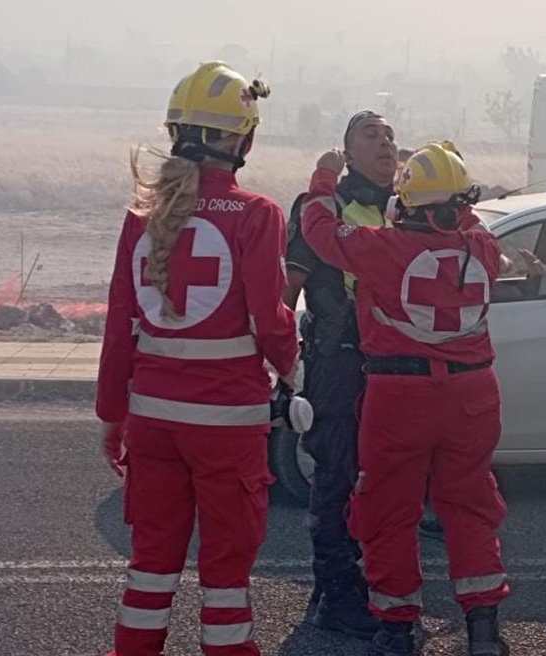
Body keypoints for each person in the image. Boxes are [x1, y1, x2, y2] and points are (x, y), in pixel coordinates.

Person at [96, 61, 299, 656]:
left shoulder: (141, 218)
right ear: (241, 138)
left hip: (153, 421)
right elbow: (270, 322)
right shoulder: (259, 214)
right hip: (227, 427)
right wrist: (296, 371)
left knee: (150, 569)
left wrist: (113, 416)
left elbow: (118, 330)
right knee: (226, 581)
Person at [302, 142, 510, 656]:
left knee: (387, 510)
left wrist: (324, 178)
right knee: (470, 507)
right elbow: (470, 219)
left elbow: (319, 231)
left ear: (407, 205)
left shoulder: (383, 248)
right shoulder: (482, 247)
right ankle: (483, 631)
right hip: (474, 392)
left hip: (399, 395)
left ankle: (396, 629)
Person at [283, 110, 398, 639]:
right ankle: (335, 595)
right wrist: (281, 368)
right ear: (347, 153)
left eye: (391, 135)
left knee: (378, 483)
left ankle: (348, 583)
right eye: (371, 135)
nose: (386, 143)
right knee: (336, 479)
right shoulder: (319, 206)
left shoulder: (404, 210)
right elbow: (286, 293)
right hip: (339, 364)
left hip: (392, 368)